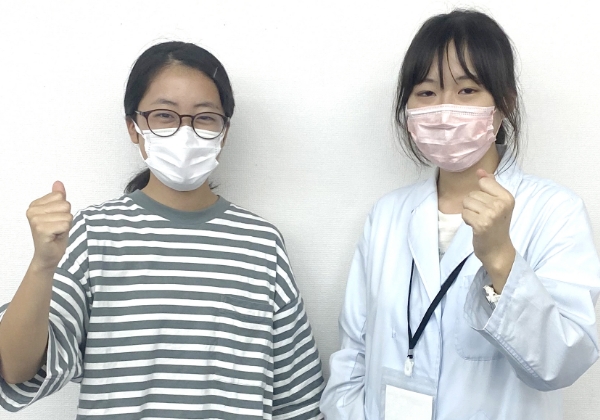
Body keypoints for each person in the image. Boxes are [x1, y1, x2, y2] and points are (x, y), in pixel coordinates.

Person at [0, 41, 324, 419]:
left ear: (224, 132)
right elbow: (17, 369)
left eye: (205, 117)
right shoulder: (94, 234)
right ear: (134, 127)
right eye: (165, 115)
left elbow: (298, 400)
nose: (185, 132)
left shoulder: (260, 244)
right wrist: (42, 264)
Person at [320, 9, 600, 420]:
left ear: (504, 104)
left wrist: (501, 258)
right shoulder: (387, 215)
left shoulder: (554, 211)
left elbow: (561, 364)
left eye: (467, 90)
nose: (444, 110)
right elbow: (354, 352)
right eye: (426, 93)